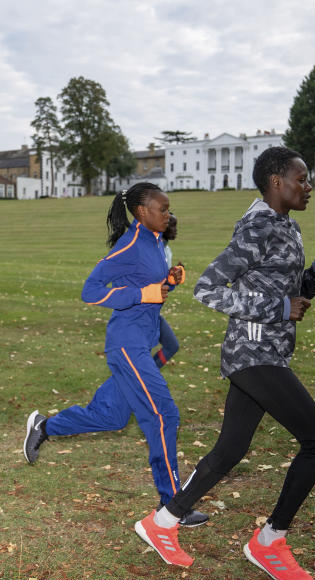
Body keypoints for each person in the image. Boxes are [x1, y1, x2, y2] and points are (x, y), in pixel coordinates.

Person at [135, 147, 315, 580]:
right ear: (275, 182)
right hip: (253, 352)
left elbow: (290, 292)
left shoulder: (288, 225)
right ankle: (269, 542)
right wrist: (277, 308)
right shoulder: (257, 226)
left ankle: (163, 523)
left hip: (269, 351)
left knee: (230, 450)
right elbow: (208, 289)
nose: (309, 187)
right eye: (301, 179)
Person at [23, 182, 207, 527]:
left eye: (168, 209)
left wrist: (167, 282)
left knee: (111, 418)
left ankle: (46, 426)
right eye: (162, 210)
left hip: (140, 340)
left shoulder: (153, 242)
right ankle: (173, 506)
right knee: (163, 414)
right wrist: (144, 294)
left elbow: (149, 287)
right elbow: (90, 291)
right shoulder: (132, 243)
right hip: (127, 343)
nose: (168, 215)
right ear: (141, 212)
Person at [153, 215, 180, 369]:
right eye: (173, 226)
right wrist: (171, 280)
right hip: (145, 314)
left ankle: (145, 377)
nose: (176, 230)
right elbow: (159, 284)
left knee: (172, 346)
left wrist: (173, 278)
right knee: (171, 345)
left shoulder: (166, 248)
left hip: (154, 312)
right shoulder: (157, 249)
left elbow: (165, 285)